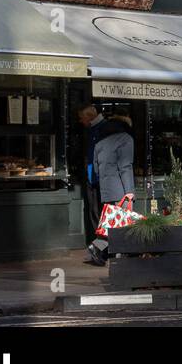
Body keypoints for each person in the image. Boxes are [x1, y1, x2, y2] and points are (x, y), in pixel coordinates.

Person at [86, 115, 134, 266]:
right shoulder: (126, 139)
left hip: (106, 189)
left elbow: (96, 167)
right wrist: (129, 191)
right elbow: (126, 166)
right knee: (121, 225)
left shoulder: (100, 143)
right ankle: (104, 249)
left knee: (112, 223)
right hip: (121, 188)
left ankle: (102, 248)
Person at [77, 104, 110, 242]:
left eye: (82, 118)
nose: (80, 121)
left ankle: (101, 245)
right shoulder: (93, 129)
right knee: (95, 211)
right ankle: (99, 244)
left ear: (90, 117)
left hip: (100, 177)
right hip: (94, 176)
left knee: (99, 212)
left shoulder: (104, 128)